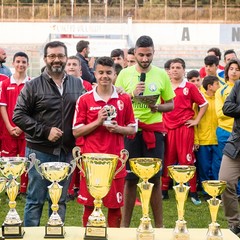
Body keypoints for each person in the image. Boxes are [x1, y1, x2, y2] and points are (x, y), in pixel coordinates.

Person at [12, 41, 86, 226]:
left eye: (60, 56)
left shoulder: (77, 84)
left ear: (66, 58)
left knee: (59, 200)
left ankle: (55, 233)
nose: (56, 60)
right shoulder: (33, 85)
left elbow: (89, 105)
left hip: (67, 151)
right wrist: (45, 131)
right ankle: (31, 236)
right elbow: (18, 115)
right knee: (35, 200)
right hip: (40, 151)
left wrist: (116, 91)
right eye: (52, 56)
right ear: (45, 59)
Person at [115, 35, 175, 228]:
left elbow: (171, 104)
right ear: (134, 53)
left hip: (154, 132)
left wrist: (157, 107)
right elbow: (116, 103)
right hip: (130, 132)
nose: (145, 58)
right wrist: (132, 95)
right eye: (141, 54)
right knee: (130, 180)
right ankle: (125, 226)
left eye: (148, 54)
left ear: (153, 52)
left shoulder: (161, 75)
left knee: (156, 179)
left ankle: (159, 226)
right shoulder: (124, 74)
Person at [72, 56, 136, 227]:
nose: (104, 76)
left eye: (108, 72)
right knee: (89, 206)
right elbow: (76, 131)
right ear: (95, 74)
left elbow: (133, 128)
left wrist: (118, 129)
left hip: (116, 161)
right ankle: (89, 236)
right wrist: (98, 122)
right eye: (101, 73)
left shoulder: (124, 99)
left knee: (115, 207)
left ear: (115, 74)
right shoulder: (84, 99)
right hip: (92, 162)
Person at [161, 58, 208, 205]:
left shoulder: (190, 87)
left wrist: (196, 120)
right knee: (167, 159)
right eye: (172, 67)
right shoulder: (165, 86)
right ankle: (163, 192)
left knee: (186, 160)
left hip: (184, 128)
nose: (175, 70)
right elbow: (159, 107)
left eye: (178, 67)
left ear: (184, 70)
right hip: (168, 128)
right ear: (168, 71)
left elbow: (204, 104)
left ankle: (193, 192)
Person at [0, 51, 30, 195]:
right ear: (13, 64)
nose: (21, 64)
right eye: (18, 61)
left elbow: (33, 108)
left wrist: (22, 126)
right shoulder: (5, 84)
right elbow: (2, 106)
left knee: (26, 158)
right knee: (8, 159)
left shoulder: (31, 83)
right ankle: (10, 187)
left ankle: (23, 189)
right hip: (8, 130)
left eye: (23, 62)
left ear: (28, 64)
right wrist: (9, 126)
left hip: (26, 130)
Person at [215, 58, 240, 195]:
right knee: (226, 172)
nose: (234, 72)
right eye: (231, 69)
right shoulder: (223, 90)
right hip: (227, 132)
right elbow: (223, 111)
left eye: (237, 69)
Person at [194, 76, 221, 201]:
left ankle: (216, 191)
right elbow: (195, 121)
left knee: (217, 166)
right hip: (203, 140)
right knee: (204, 167)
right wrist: (196, 140)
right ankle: (205, 192)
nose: (219, 86)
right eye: (217, 84)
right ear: (210, 86)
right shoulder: (199, 100)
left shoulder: (219, 99)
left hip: (217, 140)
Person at [219, 78, 240, 238]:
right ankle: (234, 224)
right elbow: (227, 107)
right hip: (236, 144)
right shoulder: (239, 85)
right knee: (225, 182)